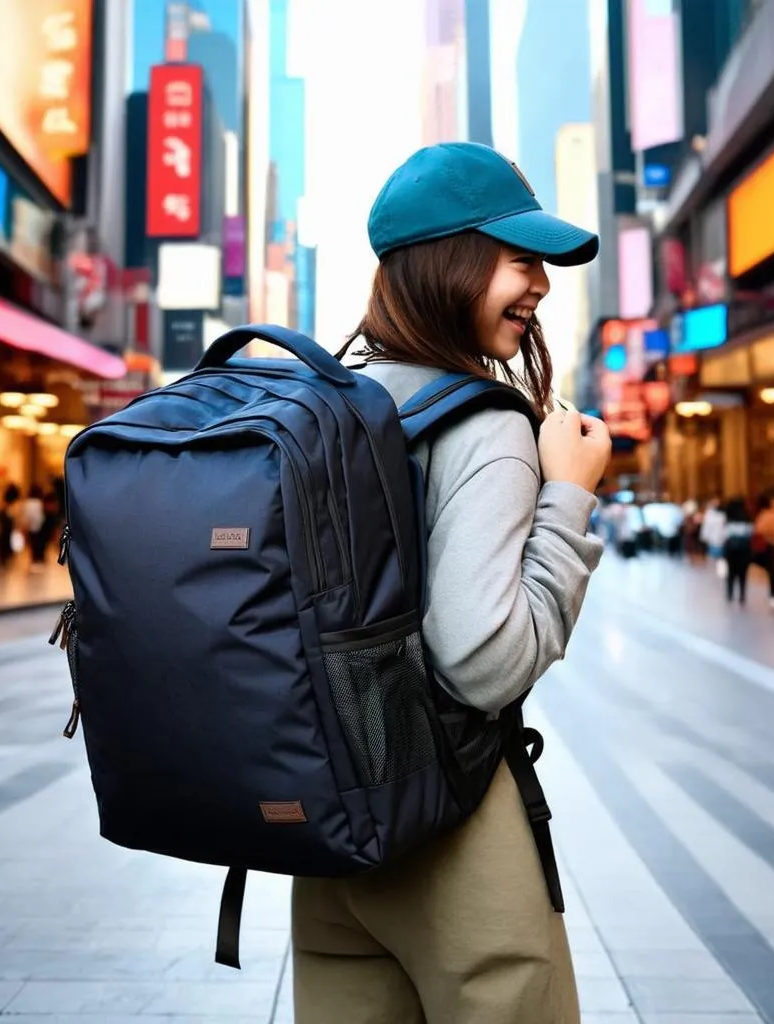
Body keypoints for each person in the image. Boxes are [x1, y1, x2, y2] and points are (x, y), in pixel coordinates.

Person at [293, 142, 611, 1024]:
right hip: (454, 836)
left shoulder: (329, 407)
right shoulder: (482, 425)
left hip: (333, 839)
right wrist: (570, 498)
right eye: (520, 261)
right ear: (452, 264)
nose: (541, 284)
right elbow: (483, 665)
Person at [722, 497, 754, 605]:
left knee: (731, 572)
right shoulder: (747, 519)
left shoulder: (728, 520)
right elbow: (750, 534)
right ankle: (742, 594)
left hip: (731, 551)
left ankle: (730, 593)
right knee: (743, 573)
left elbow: (724, 536)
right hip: (744, 550)